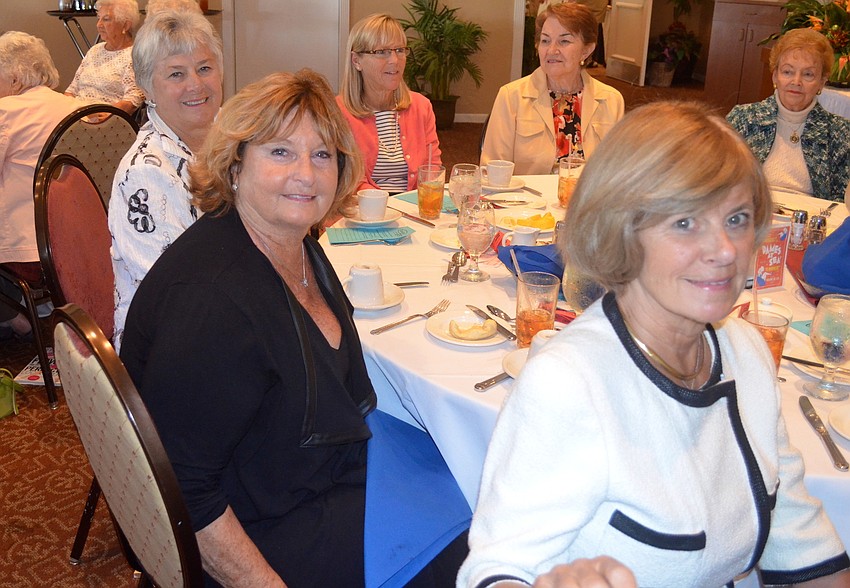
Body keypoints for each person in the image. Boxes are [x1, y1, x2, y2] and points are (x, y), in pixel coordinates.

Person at [458, 102, 850, 587]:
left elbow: (798, 536)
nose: (725, 250)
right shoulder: (571, 382)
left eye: (737, 218)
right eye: (685, 222)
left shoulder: (746, 352)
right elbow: (495, 570)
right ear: (621, 230)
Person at [120, 69, 466, 587]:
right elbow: (185, 494)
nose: (306, 173)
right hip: (263, 526)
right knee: (475, 547)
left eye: (322, 154)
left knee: (483, 486)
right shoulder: (213, 300)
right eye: (280, 152)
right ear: (235, 163)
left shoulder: (297, 244)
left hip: (306, 474)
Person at [108, 9, 223, 349]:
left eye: (205, 68)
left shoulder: (229, 141)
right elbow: (179, 297)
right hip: (170, 347)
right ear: (147, 88)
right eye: (176, 74)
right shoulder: (146, 173)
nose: (196, 84)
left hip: (223, 317)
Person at [0, 32, 82, 339]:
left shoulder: (6, 111)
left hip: (25, 251)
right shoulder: (82, 109)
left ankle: (19, 317)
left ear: (17, 79)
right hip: (77, 244)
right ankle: (29, 312)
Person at [480, 2, 623, 175]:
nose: (551, 50)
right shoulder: (512, 96)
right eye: (545, 40)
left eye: (564, 41)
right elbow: (491, 172)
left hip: (586, 200)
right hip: (527, 200)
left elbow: (617, 173)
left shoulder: (611, 100)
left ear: (586, 50)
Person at [727, 28, 850, 203]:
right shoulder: (743, 119)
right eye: (788, 72)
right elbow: (720, 181)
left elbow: (841, 203)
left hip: (812, 224)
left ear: (822, 81)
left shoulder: (840, 132)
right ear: (775, 76)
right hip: (752, 215)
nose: (796, 81)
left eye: (808, 74)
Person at [337, 13, 441, 194]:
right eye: (382, 52)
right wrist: (391, 209)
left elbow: (432, 168)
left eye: (400, 50)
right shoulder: (338, 112)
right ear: (356, 61)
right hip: (363, 212)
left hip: (413, 208)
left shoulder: (421, 106)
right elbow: (349, 181)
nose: (394, 60)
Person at [65, 0, 145, 117]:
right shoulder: (95, 50)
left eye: (106, 19)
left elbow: (133, 99)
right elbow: (71, 90)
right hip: (74, 117)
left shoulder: (135, 55)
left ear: (125, 25)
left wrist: (108, 115)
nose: (99, 24)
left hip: (105, 122)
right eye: (99, 18)